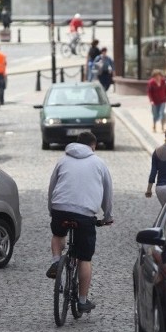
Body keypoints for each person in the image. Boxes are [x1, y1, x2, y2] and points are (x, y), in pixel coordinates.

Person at [46, 131, 113, 313]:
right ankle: (82, 300)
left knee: (58, 233)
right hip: (84, 215)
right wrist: (107, 216)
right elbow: (108, 192)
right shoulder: (99, 163)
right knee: (84, 258)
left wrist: (52, 209)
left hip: (60, 208)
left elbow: (52, 185)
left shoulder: (63, 160)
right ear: (93, 146)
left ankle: (56, 261)